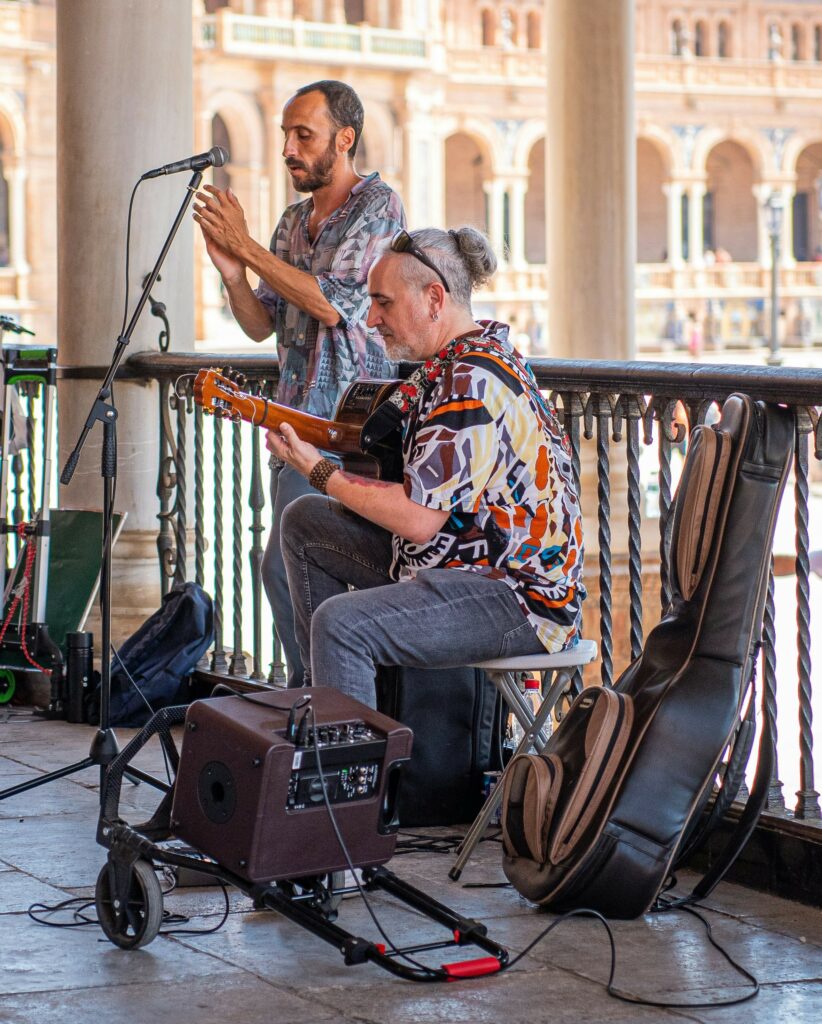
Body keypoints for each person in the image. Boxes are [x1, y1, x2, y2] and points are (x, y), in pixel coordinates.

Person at [267, 226, 586, 708]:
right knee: (305, 523)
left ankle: (346, 771)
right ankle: (329, 706)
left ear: (435, 299)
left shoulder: (471, 380)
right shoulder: (454, 364)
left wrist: (318, 470)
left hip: (516, 596)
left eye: (384, 302)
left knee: (341, 623)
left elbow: (418, 519)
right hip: (459, 563)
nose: (371, 318)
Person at [193, 80, 406, 687]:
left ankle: (323, 703)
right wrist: (235, 272)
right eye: (286, 134)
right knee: (286, 571)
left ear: (344, 139)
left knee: (290, 571)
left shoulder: (379, 208)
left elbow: (334, 305)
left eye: (303, 135)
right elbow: (262, 323)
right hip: (293, 429)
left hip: (353, 434)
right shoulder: (291, 222)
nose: (289, 146)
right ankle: (316, 696)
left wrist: (248, 246)